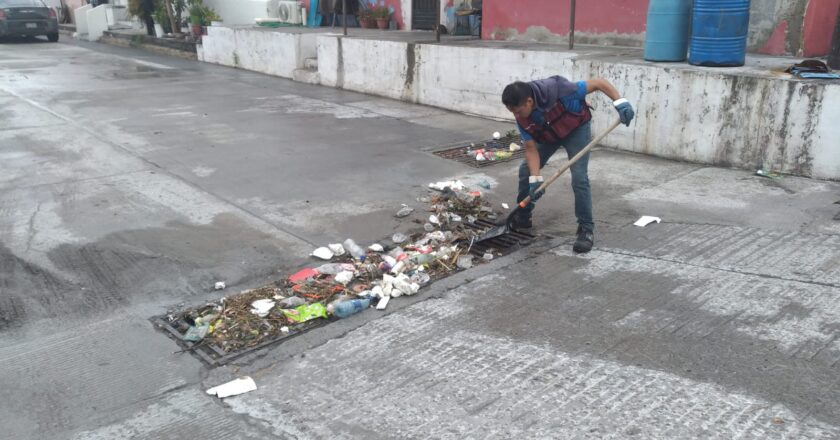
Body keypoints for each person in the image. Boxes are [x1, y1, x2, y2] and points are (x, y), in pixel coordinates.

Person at [501, 76, 634, 253]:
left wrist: (620, 102)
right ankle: (523, 217)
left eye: (518, 111)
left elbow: (598, 83)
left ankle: (586, 229)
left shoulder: (559, 89)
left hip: (576, 129)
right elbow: (531, 148)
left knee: (579, 178)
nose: (516, 116)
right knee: (526, 170)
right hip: (547, 135)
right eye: (513, 112)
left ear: (529, 101)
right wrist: (535, 178)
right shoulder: (522, 116)